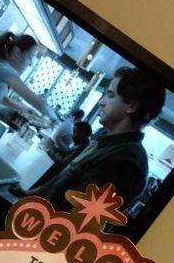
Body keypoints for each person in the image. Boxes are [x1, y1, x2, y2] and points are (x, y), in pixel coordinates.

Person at [36, 66, 165, 212]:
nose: (101, 102)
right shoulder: (108, 143)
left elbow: (71, 214)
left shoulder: (126, 161)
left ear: (132, 105)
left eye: (110, 95)